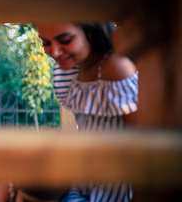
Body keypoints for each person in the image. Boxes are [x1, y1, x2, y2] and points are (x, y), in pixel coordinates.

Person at [37, 22, 138, 202]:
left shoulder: (117, 68)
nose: (54, 51)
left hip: (115, 189)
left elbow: (141, 143)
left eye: (65, 40)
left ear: (91, 32)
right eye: (45, 42)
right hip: (84, 181)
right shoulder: (67, 70)